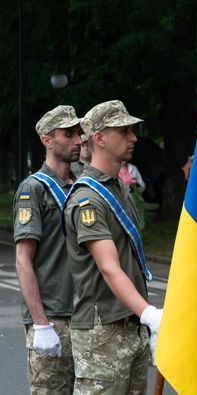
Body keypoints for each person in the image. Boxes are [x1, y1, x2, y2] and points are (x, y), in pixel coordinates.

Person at [63, 100, 162, 393]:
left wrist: (141, 319)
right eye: (124, 130)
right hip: (102, 332)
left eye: (132, 130)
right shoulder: (88, 198)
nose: (133, 137)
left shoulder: (117, 188)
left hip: (129, 324)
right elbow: (108, 267)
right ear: (100, 138)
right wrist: (149, 314)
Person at [13, 105, 81, 394]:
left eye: (78, 132)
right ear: (47, 140)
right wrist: (40, 324)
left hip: (86, 316)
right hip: (53, 317)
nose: (78, 140)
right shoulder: (33, 189)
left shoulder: (82, 187)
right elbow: (22, 261)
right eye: (68, 134)